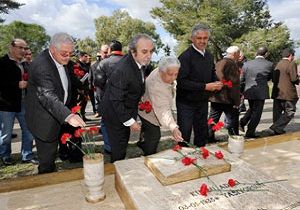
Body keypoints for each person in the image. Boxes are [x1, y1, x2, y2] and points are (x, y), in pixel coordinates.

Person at [25, 32, 86, 174]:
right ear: (52, 49)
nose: (68, 57)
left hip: (59, 114)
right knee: (47, 162)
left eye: (71, 53)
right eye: (64, 53)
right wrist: (69, 116)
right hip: (44, 120)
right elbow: (47, 95)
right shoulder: (41, 65)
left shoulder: (63, 61)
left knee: (57, 152)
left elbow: (65, 86)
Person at [101, 34, 154, 162]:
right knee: (119, 149)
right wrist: (130, 121)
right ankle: (116, 172)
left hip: (124, 110)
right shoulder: (123, 69)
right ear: (133, 51)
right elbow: (116, 100)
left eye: (151, 51)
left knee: (122, 144)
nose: (149, 55)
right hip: (114, 114)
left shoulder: (138, 63)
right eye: (144, 51)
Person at [176, 23, 223, 147]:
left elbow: (211, 73)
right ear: (192, 39)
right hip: (185, 103)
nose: (202, 41)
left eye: (205, 38)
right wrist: (205, 86)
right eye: (199, 38)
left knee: (201, 132)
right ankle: (183, 158)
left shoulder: (209, 55)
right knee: (184, 134)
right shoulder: (185, 57)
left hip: (202, 102)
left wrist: (217, 82)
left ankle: (201, 156)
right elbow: (181, 82)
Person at [0, 39, 37, 165]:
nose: (23, 51)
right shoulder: (2, 62)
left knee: (29, 131)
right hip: (7, 105)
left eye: (25, 48)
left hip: (25, 103)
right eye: (20, 48)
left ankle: (27, 155)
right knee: (6, 134)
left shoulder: (25, 64)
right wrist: (16, 84)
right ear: (11, 47)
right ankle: (5, 155)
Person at [138, 56, 183, 155]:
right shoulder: (157, 86)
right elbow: (163, 110)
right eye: (170, 74)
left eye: (176, 74)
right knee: (154, 135)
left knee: (148, 131)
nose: (173, 78)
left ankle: (142, 142)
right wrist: (174, 127)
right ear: (161, 71)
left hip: (150, 104)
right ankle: (149, 156)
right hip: (148, 111)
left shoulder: (161, 69)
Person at [94, 40, 123, 154]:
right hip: (124, 100)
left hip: (108, 100)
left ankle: (109, 147)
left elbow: (98, 82)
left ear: (110, 50)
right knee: (122, 124)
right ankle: (120, 146)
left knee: (106, 124)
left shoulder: (104, 63)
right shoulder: (129, 62)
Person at [239, 47, 274, 138]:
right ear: (266, 54)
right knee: (257, 113)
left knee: (252, 109)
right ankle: (250, 132)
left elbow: (241, 79)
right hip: (260, 91)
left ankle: (242, 122)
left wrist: (241, 91)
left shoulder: (247, 64)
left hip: (249, 90)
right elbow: (270, 78)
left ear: (256, 53)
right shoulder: (269, 64)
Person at [208, 46, 241, 142]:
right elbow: (230, 83)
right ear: (235, 54)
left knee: (213, 119)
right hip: (227, 97)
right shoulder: (229, 63)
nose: (239, 56)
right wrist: (236, 100)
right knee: (233, 120)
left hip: (219, 96)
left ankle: (209, 137)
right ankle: (234, 138)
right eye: (238, 53)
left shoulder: (222, 62)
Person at [270, 48, 298, 135]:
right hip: (288, 93)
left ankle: (277, 130)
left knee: (277, 111)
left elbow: (274, 79)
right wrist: (298, 79)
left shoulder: (276, 64)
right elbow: (294, 79)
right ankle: (276, 126)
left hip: (277, 92)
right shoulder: (291, 64)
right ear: (290, 55)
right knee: (290, 111)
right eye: (293, 55)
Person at [92, 44, 109, 118]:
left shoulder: (116, 62)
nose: (107, 54)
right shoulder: (95, 65)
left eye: (108, 52)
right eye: (105, 52)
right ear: (100, 52)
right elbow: (95, 79)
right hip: (101, 92)